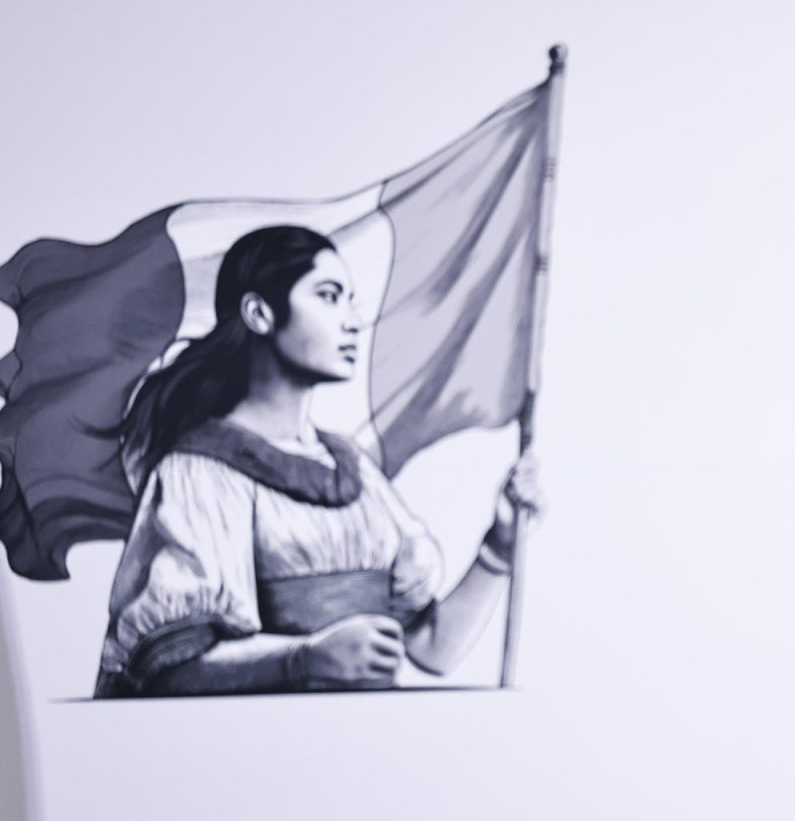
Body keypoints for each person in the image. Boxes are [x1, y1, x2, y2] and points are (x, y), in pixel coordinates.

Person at [94, 225, 534, 697]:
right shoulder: (200, 471)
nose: (352, 321)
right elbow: (170, 669)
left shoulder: (355, 468)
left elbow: (433, 648)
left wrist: (500, 544)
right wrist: (304, 659)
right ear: (259, 313)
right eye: (329, 296)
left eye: (349, 300)